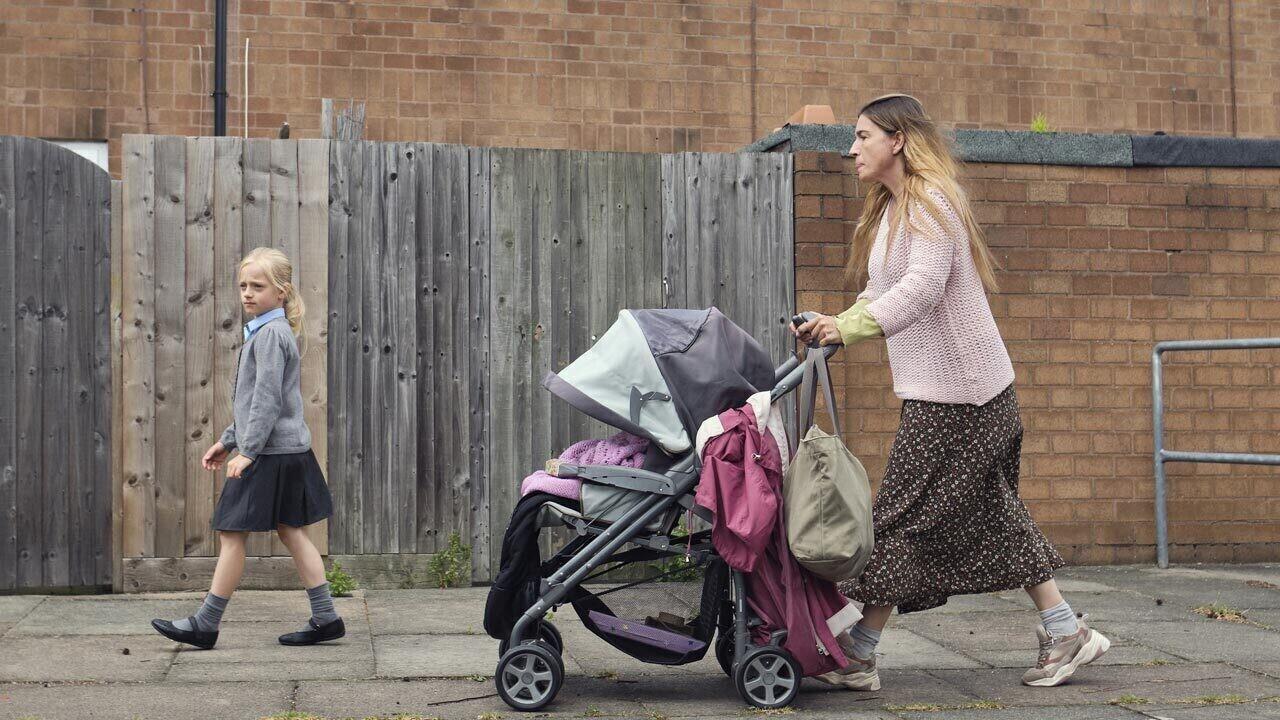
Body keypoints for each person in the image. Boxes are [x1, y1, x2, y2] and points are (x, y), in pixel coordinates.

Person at [794, 94, 1109, 690]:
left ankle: (860, 650)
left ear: (899, 141)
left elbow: (924, 286)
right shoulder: (892, 210)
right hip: (954, 391)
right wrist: (834, 322)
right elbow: (886, 292)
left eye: (862, 136)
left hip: (962, 392)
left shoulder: (931, 203)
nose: (851, 148)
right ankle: (1065, 629)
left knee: (901, 516)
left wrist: (851, 327)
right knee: (987, 514)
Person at [151, 247, 341, 650]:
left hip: (269, 455)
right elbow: (256, 401)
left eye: (258, 286)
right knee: (292, 531)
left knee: (231, 531)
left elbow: (267, 401)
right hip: (286, 450)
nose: (248, 293)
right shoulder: (266, 332)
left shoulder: (270, 336)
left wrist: (248, 451)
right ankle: (326, 618)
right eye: (243, 286)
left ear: (282, 292)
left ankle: (206, 623)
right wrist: (228, 440)